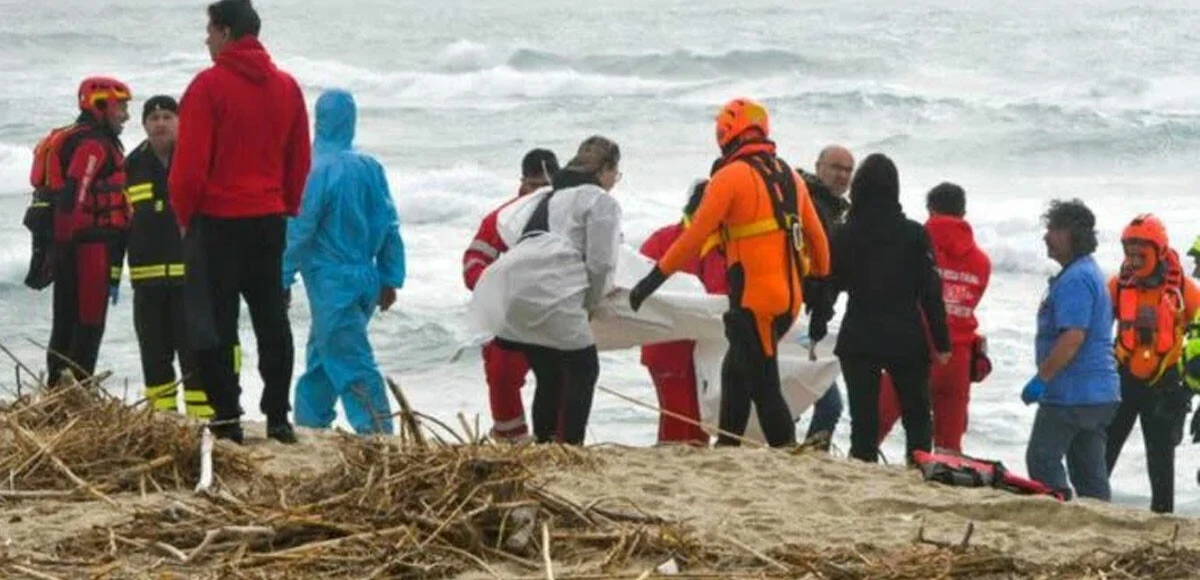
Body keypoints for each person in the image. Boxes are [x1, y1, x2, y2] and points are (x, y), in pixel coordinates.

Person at [629, 98, 831, 448]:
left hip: (756, 300)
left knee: (764, 385)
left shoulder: (729, 176)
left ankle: (787, 452)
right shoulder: (790, 176)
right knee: (735, 370)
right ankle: (727, 446)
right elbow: (818, 239)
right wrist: (821, 286)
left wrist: (651, 281)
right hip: (788, 300)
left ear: (727, 134)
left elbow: (693, 236)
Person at [170, 0, 311, 444]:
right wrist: (285, 204)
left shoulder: (208, 86)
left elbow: (190, 164)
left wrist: (182, 213)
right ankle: (278, 417)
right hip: (268, 219)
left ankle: (227, 416)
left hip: (217, 220)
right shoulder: (287, 87)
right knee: (272, 318)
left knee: (215, 323)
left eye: (210, 30)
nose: (206, 39)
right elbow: (299, 159)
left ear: (226, 32)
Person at [475, 136, 623, 445]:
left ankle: (544, 444)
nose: (615, 181)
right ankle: (570, 447)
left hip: (512, 290)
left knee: (550, 374)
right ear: (605, 169)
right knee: (584, 369)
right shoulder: (600, 200)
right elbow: (600, 264)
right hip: (553, 293)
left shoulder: (550, 197)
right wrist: (590, 305)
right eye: (616, 173)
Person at [282, 89, 405, 436]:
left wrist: (282, 275)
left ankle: (378, 433)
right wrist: (390, 276)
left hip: (330, 280)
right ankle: (310, 424)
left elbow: (300, 228)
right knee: (324, 356)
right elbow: (389, 224)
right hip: (366, 275)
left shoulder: (314, 168)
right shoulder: (370, 166)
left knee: (350, 360)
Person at [821, 153, 950, 464]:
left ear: (859, 187)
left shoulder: (846, 233)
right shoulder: (914, 233)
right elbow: (930, 292)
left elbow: (830, 286)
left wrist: (816, 326)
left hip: (859, 335)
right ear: (895, 188)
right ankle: (919, 469)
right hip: (904, 336)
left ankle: (862, 469)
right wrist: (942, 342)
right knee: (917, 416)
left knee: (863, 421)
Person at [30, 77, 132, 385]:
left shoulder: (81, 138)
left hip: (71, 246)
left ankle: (58, 391)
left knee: (65, 321)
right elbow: (76, 192)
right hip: (88, 247)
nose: (126, 116)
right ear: (100, 105)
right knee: (88, 323)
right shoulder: (93, 144)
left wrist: (59, 250)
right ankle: (77, 391)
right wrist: (65, 247)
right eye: (121, 108)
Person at [876, 182, 991, 453]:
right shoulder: (981, 261)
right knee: (949, 445)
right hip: (958, 356)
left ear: (930, 210)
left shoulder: (913, 245)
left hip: (911, 349)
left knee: (874, 425)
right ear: (963, 212)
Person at [1023, 199, 1120, 501]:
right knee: (1089, 472)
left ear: (1073, 235)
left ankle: (1059, 510)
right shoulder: (1088, 272)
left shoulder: (1076, 279)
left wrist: (1041, 379)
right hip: (1100, 394)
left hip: (1072, 393)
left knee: (1041, 459)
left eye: (1054, 229)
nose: (1046, 235)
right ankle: (1099, 521)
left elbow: (1073, 337)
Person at [123, 95, 213, 418]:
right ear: (144, 124)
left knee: (195, 356)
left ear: (180, 122)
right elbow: (120, 223)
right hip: (147, 285)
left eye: (167, 117)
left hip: (189, 281)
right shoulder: (131, 166)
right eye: (154, 117)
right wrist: (110, 274)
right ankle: (162, 421)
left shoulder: (195, 158)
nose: (160, 123)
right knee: (154, 356)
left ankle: (203, 422)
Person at [462, 148, 560, 442]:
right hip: (512, 314)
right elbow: (473, 261)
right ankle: (511, 439)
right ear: (522, 184)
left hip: (555, 311)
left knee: (565, 378)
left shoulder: (568, 214)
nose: (541, 192)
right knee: (502, 369)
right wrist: (494, 287)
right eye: (535, 185)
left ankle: (560, 440)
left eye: (547, 185)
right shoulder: (503, 219)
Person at [1104, 214, 1199, 513]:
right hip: (1122, 379)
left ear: (1158, 251)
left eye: (1139, 253)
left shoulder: (1185, 290)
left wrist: (1190, 390)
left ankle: (1162, 516)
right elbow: (1094, 330)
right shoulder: (1117, 286)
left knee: (1160, 459)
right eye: (1128, 253)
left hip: (1165, 385)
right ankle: (1089, 506)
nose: (1132, 260)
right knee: (1103, 450)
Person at [638, 180, 727, 445]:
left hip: (709, 350)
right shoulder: (664, 240)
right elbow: (639, 288)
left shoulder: (723, 245)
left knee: (702, 424)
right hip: (668, 348)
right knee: (678, 422)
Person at [798, 144, 854, 449]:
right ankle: (802, 456)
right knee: (829, 402)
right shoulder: (809, 203)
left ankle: (799, 455)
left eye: (848, 171)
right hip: (797, 314)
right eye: (836, 168)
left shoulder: (834, 209)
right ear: (819, 166)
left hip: (813, 318)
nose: (842, 176)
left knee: (809, 393)